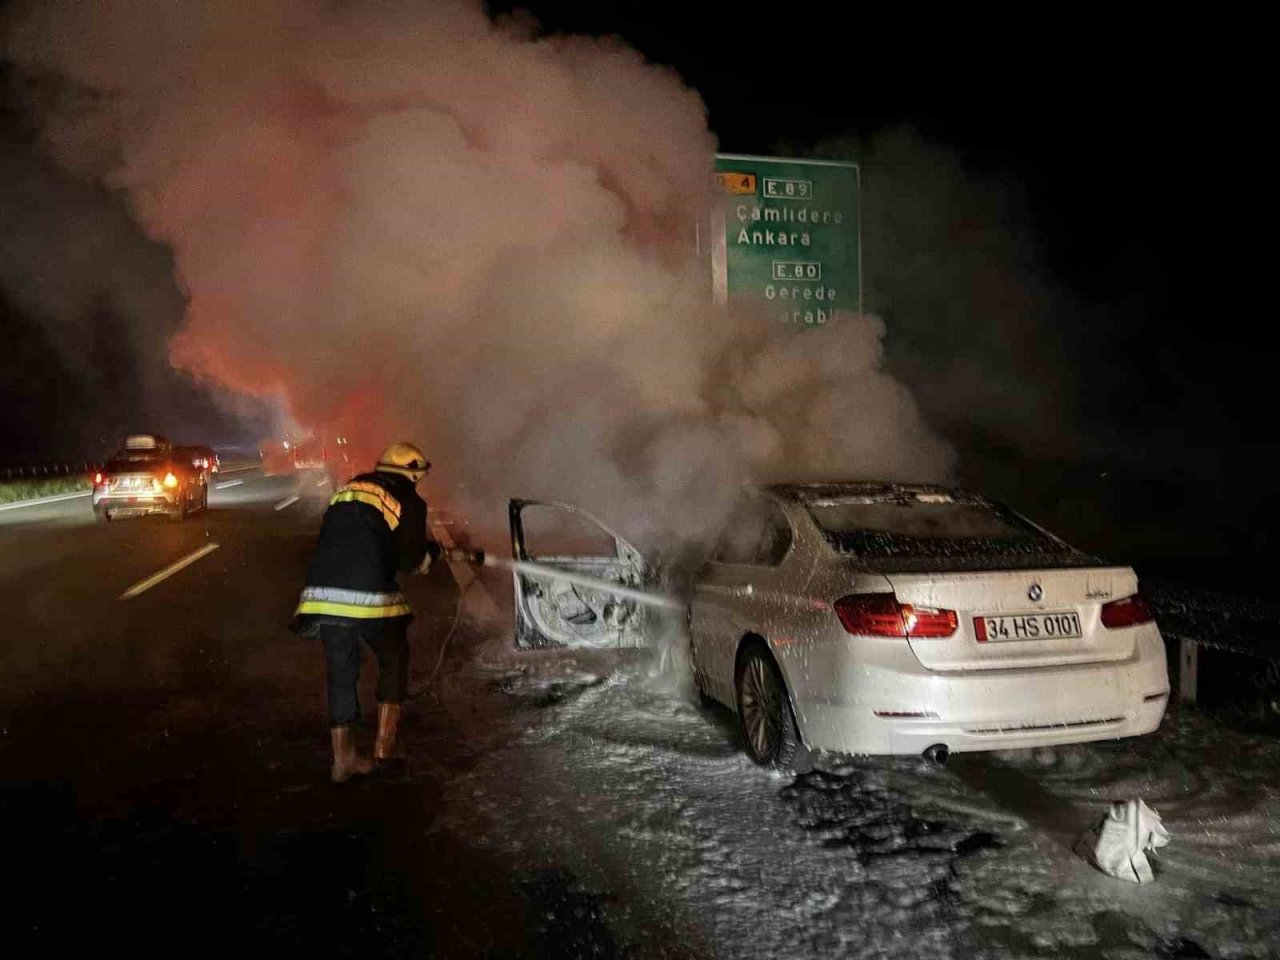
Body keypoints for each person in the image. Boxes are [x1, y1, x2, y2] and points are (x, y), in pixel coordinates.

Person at [291, 442, 441, 782]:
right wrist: (432, 553)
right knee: (393, 654)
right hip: (369, 596)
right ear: (414, 473)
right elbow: (411, 562)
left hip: (322, 594)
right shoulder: (409, 500)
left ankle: (342, 760)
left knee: (341, 673)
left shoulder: (348, 488)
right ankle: (385, 746)